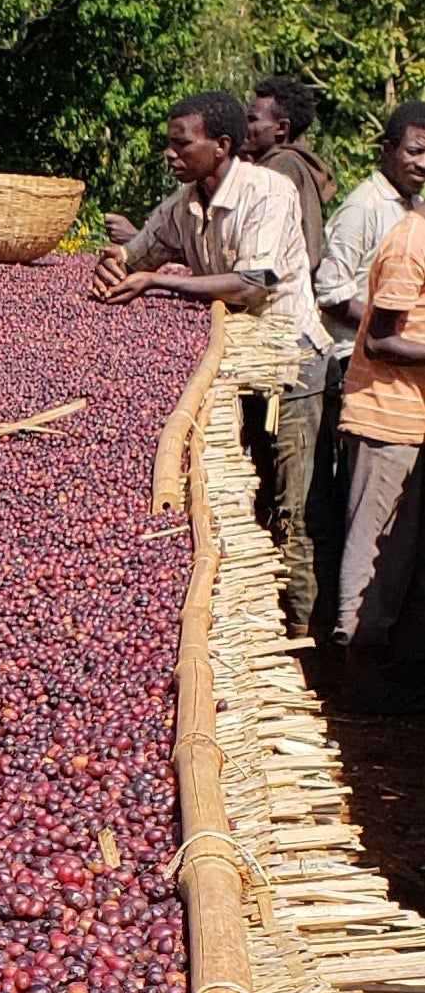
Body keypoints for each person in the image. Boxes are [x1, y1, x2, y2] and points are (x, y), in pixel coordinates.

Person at [94, 91, 328, 630]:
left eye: (182, 145)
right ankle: (247, 618)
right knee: (238, 502)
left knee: (288, 509)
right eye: (169, 144)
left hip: (288, 364)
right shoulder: (185, 203)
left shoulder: (269, 191)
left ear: (221, 146)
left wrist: (156, 280)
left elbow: (251, 285)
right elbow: (140, 251)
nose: (170, 155)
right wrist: (114, 267)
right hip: (229, 369)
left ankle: (300, 635)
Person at [335, 207, 425, 711]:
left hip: (413, 415)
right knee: (372, 545)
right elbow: (380, 338)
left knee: (400, 547)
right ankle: (358, 672)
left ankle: (387, 665)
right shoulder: (411, 243)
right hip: (385, 415)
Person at [315, 101, 425, 334]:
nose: (423, 164)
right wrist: (386, 329)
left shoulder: (413, 206)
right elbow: (330, 292)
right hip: (353, 356)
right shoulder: (364, 207)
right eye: (414, 152)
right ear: (387, 149)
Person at [246, 75, 334, 268]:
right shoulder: (294, 162)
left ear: (282, 128)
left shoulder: (282, 165)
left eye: (252, 120)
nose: (245, 127)